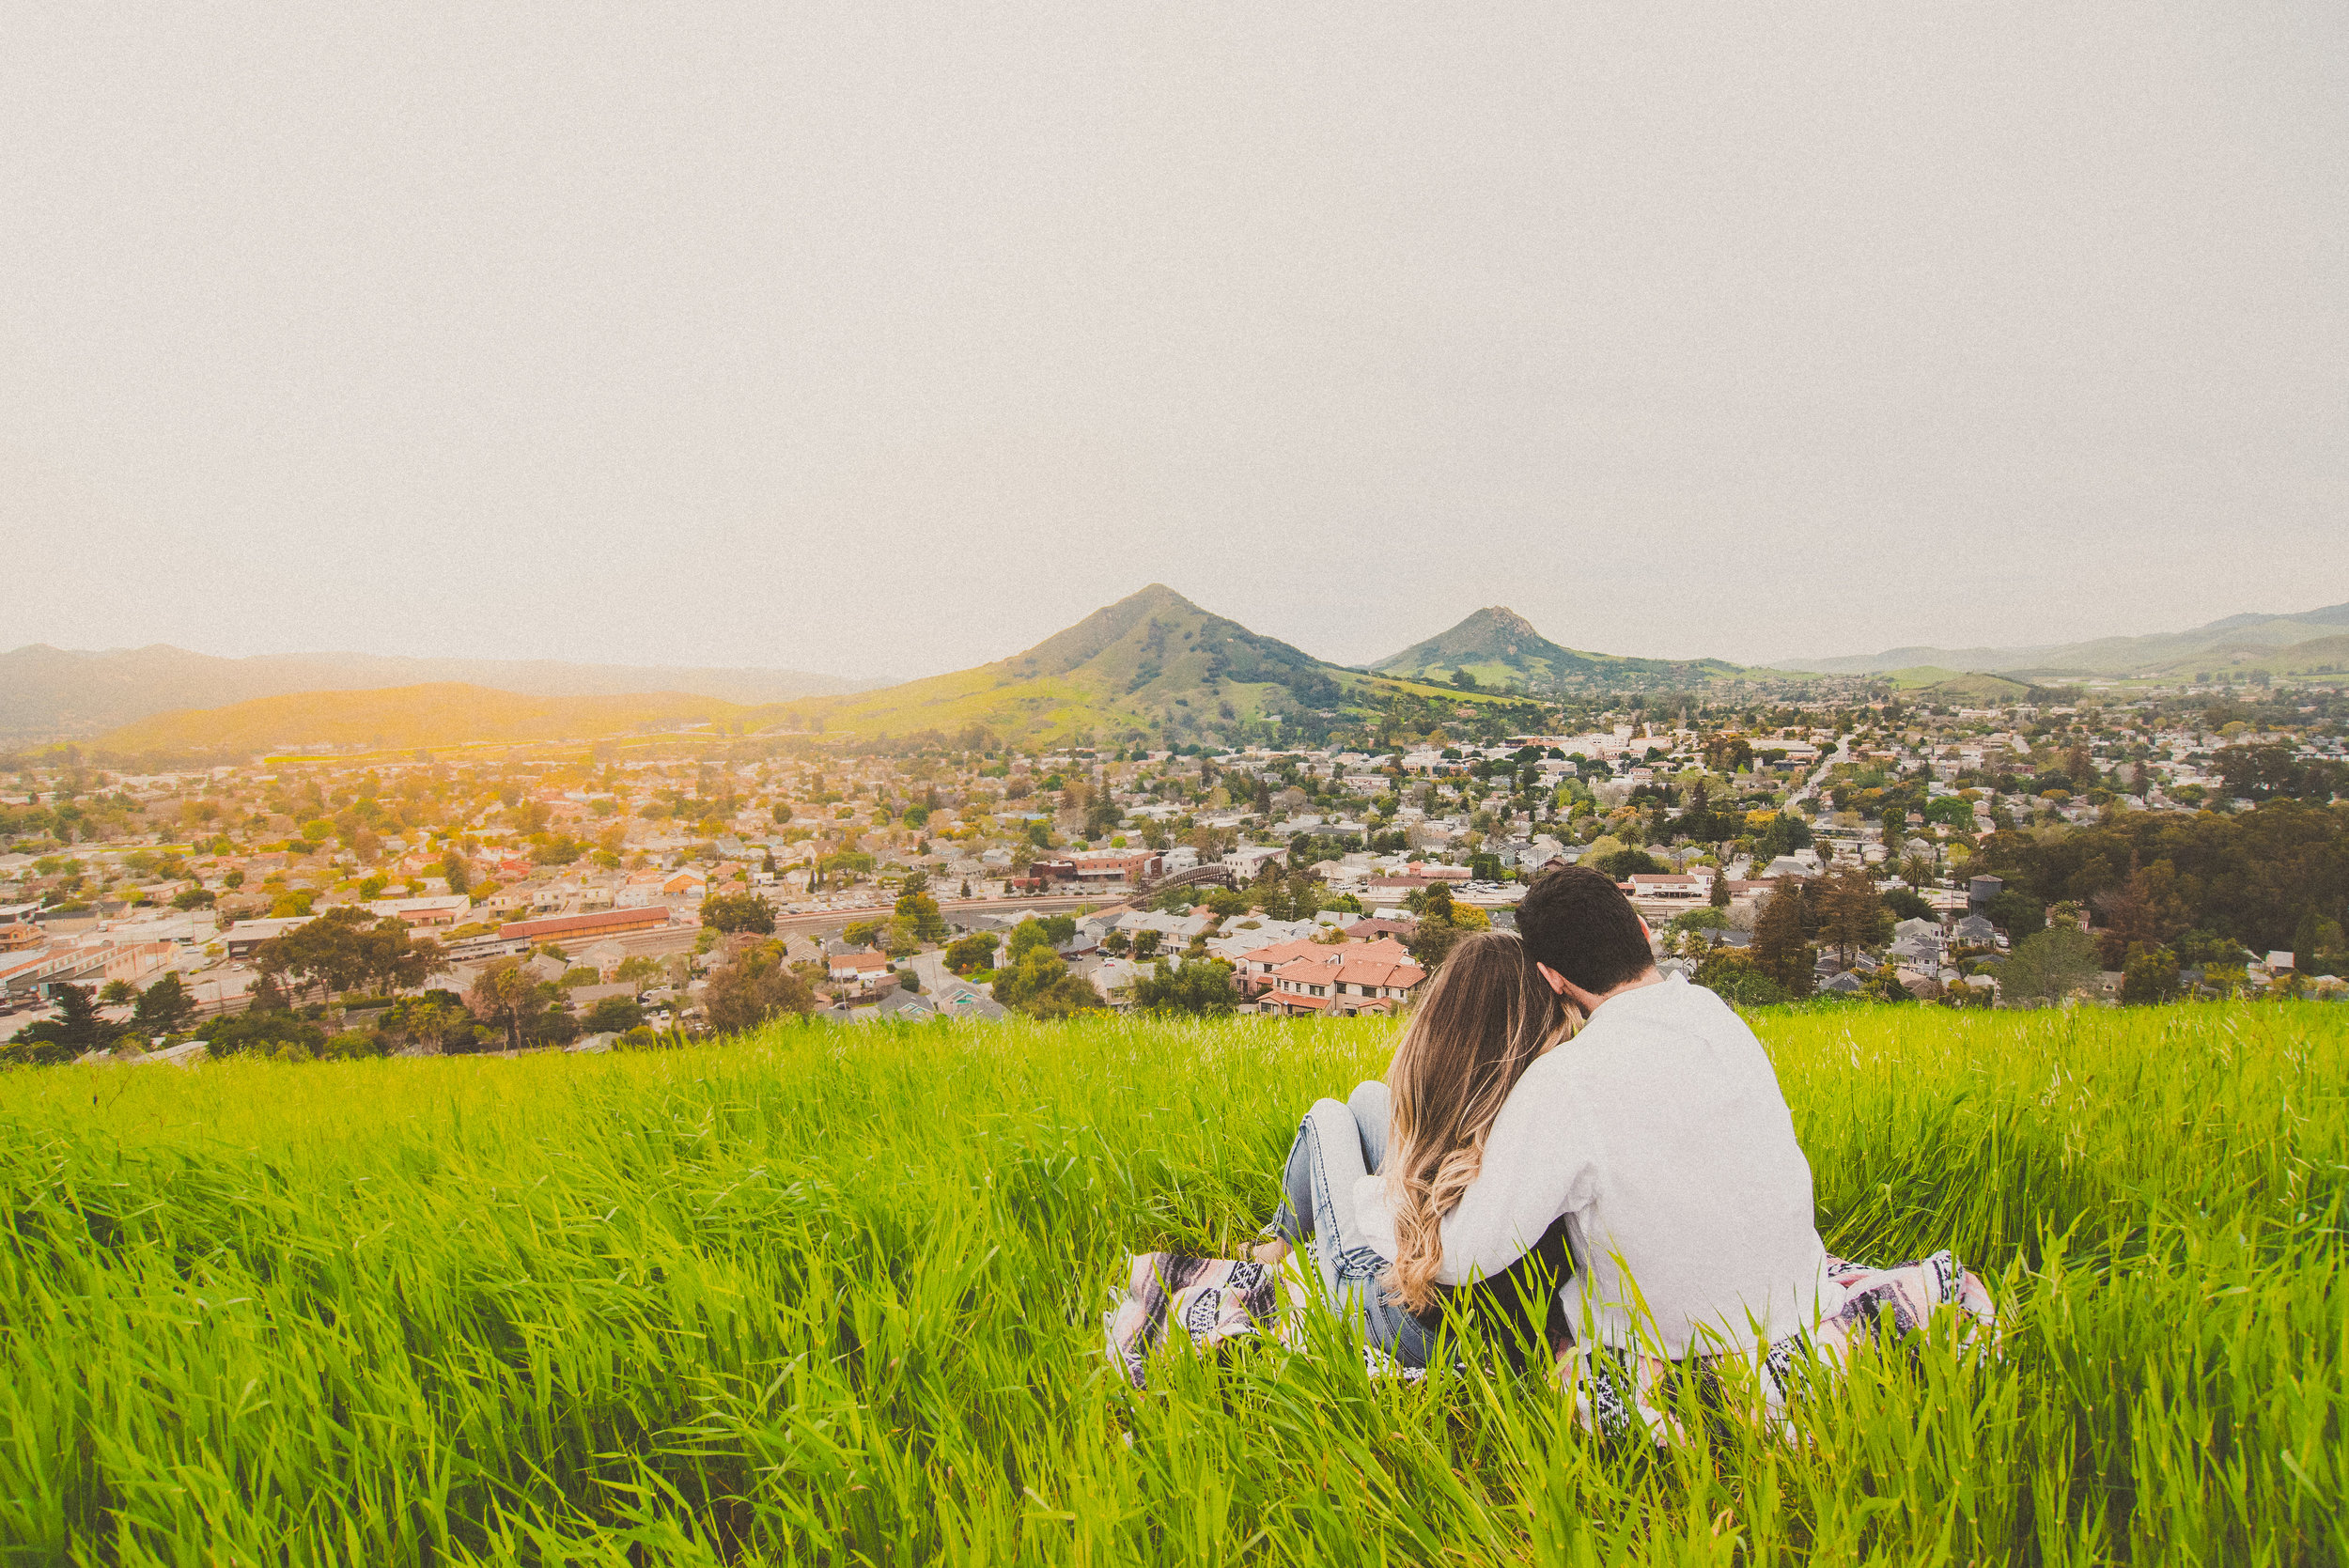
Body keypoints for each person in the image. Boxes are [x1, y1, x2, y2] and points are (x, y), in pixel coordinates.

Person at [1251, 930, 1578, 1370]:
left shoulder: (1473, 1103)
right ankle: (1287, 1241)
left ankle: (1282, 1246)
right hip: (1508, 1318)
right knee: (1369, 1098)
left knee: (1327, 1115)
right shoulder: (1545, 1091)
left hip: (1415, 1324)